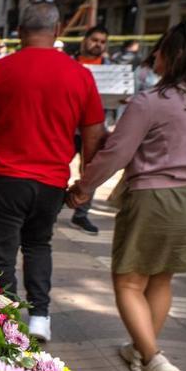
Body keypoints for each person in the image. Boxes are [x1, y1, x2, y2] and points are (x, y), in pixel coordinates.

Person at [67, 21, 186, 371]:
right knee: (161, 279)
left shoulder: (150, 102)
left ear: (176, 55)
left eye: (162, 47)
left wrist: (83, 188)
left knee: (129, 282)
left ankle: (154, 359)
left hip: (156, 200)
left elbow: (118, 154)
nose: (155, 54)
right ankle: (139, 350)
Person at [0, 3, 105, 343]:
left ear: (19, 32)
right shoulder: (80, 75)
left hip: (2, 181)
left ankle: (6, 323)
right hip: (50, 184)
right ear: (58, 30)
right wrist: (86, 183)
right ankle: (41, 319)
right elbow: (94, 134)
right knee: (38, 245)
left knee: (0, 256)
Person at [70, 24, 112, 235]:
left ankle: (81, 214)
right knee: (56, 166)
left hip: (95, 129)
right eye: (95, 39)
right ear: (84, 40)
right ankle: (50, 207)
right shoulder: (69, 64)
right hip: (68, 128)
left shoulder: (111, 69)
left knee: (91, 172)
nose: (98, 45)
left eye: (103, 42)